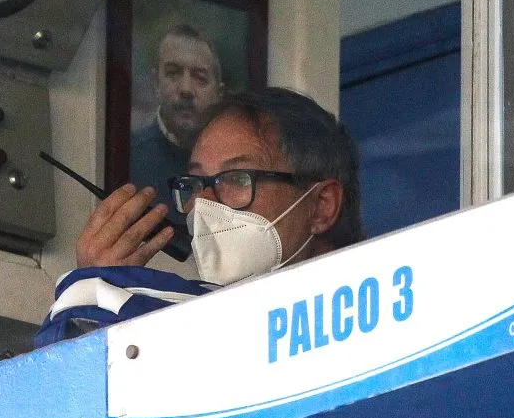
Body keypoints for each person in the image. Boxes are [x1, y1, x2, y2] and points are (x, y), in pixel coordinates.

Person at [36, 87, 363, 347]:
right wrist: (98, 292)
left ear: (321, 206)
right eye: (193, 184)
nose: (202, 204)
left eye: (235, 178)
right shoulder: (186, 323)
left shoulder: (372, 324)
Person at [130, 23, 225, 222]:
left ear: (218, 93)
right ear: (156, 83)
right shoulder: (129, 156)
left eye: (200, 78)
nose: (186, 89)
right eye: (173, 73)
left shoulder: (234, 170)